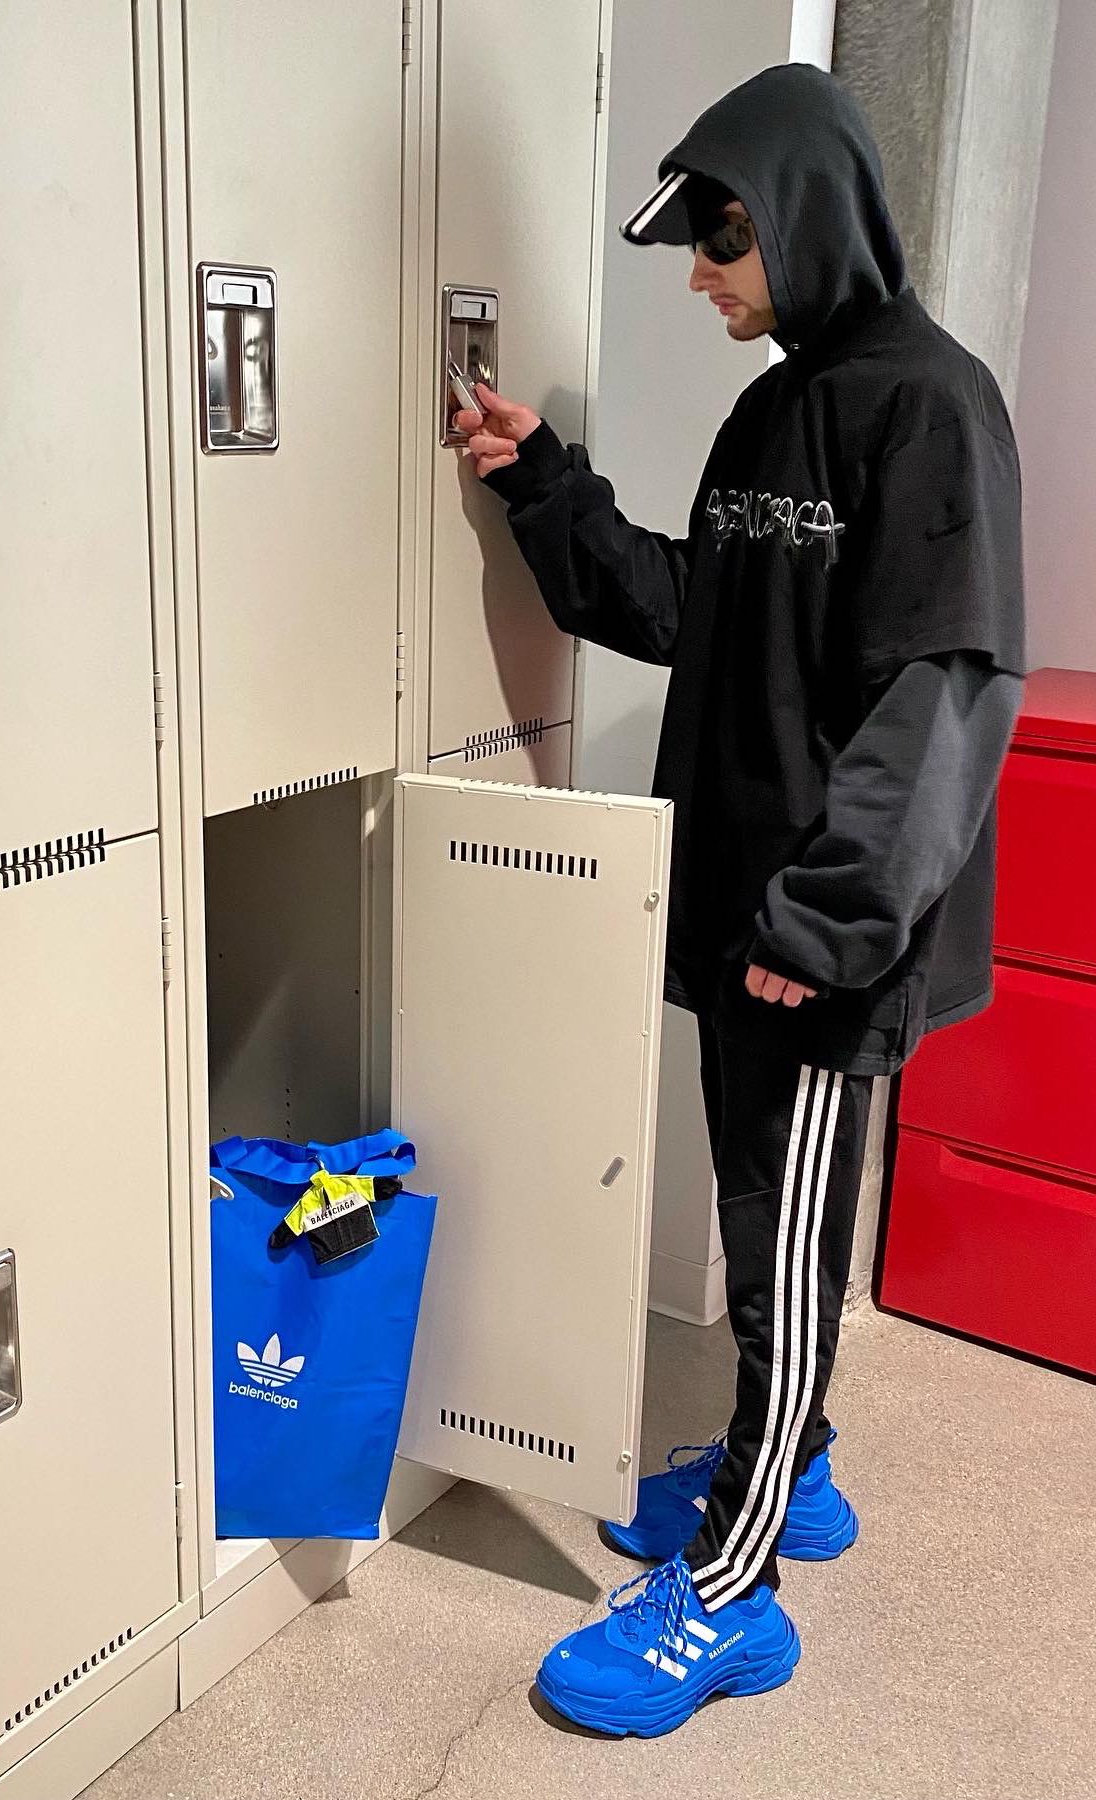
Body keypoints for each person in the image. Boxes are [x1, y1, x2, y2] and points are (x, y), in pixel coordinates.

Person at [456, 63, 1025, 1739]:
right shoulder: (777, 410)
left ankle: (731, 1585)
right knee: (762, 1221)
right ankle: (800, 1462)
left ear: (799, 214)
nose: (700, 276)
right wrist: (542, 482)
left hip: (817, 941)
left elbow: (942, 693)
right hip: (743, 914)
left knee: (780, 1248)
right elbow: (692, 611)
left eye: (719, 240)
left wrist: (823, 927)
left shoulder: (930, 407)